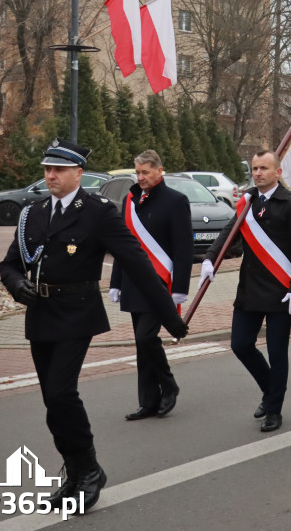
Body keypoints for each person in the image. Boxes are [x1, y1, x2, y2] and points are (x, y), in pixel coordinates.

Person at [0, 139, 188, 513]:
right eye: (47, 170)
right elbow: (9, 264)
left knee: (60, 392)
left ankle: (89, 470)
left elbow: (136, 261)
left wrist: (171, 317)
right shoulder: (33, 213)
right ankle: (75, 470)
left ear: (78, 174)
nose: (50, 176)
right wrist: (17, 286)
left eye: (59, 170)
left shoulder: (98, 212)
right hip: (39, 313)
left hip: (77, 311)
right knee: (51, 400)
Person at [200, 150, 291, 433]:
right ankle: (270, 390)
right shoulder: (247, 202)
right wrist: (210, 258)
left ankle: (274, 409)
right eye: (255, 168)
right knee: (240, 344)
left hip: (280, 291)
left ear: (278, 172)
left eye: (264, 168)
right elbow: (229, 232)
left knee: (277, 352)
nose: (258, 173)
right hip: (250, 288)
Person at [109, 150, 192, 421]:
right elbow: (125, 245)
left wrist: (180, 286)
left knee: (147, 338)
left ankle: (169, 385)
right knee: (141, 344)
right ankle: (148, 401)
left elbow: (183, 248)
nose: (140, 177)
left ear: (159, 171)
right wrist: (116, 281)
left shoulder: (176, 201)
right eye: (138, 172)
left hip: (161, 283)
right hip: (134, 283)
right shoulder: (130, 200)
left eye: (145, 172)